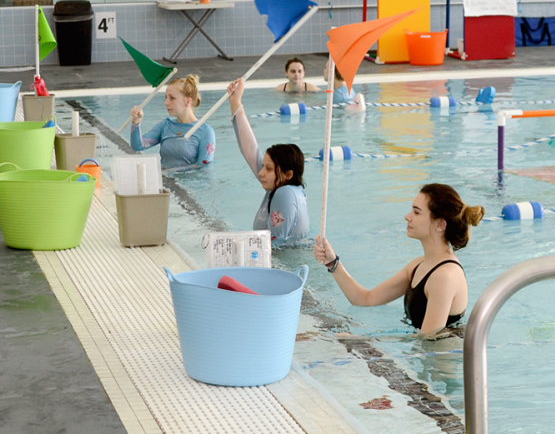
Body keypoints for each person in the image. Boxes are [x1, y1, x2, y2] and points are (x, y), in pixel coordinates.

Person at [313, 184, 484, 335]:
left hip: (440, 366)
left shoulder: (445, 276)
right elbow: (365, 299)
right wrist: (333, 263)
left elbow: (427, 338)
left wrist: (362, 339)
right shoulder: (419, 265)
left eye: (416, 212)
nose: (407, 216)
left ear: (440, 224)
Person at [227, 78, 309, 247]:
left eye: (268, 168)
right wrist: (235, 103)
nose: (261, 172)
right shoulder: (288, 188)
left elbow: (274, 247)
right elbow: (251, 151)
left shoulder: (284, 194)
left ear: (288, 174)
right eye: (264, 166)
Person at [129, 74, 215, 168]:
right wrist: (136, 121)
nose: (166, 103)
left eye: (172, 98)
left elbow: (203, 169)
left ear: (187, 101)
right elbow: (138, 145)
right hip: (166, 180)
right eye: (166, 97)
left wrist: (170, 173)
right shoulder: (165, 126)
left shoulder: (205, 132)